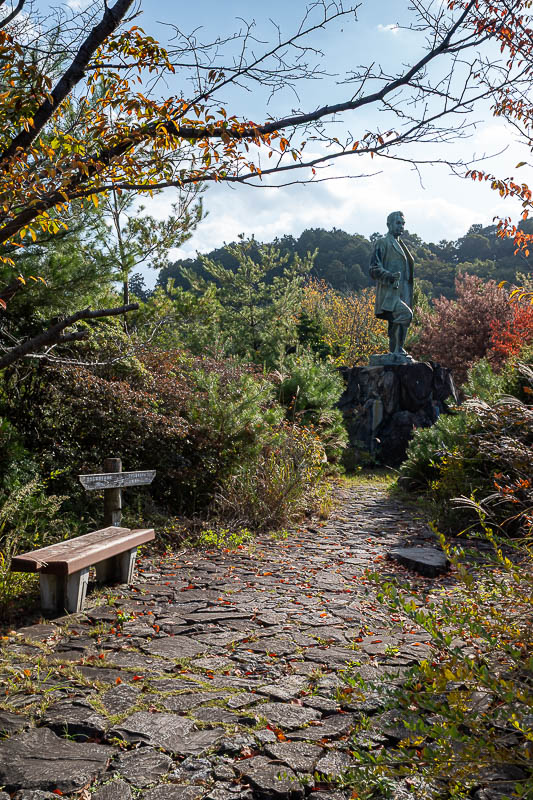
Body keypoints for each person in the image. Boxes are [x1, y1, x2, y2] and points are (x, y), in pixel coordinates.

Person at [369, 211, 414, 356]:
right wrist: (389, 276)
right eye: (398, 223)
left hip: (404, 291)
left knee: (398, 322)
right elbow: (374, 268)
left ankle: (396, 351)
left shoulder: (402, 245)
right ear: (389, 225)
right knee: (406, 315)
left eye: (403, 223)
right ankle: (396, 349)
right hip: (390, 292)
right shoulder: (382, 243)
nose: (401, 226)